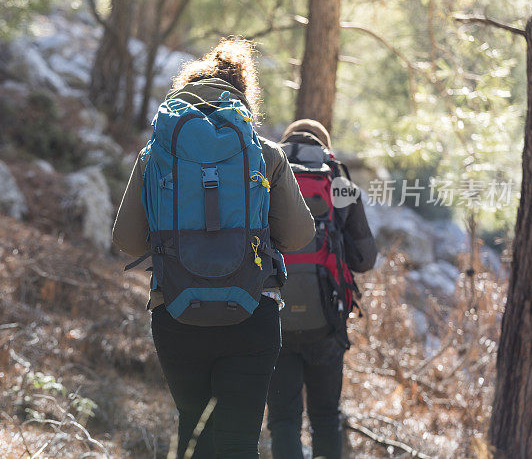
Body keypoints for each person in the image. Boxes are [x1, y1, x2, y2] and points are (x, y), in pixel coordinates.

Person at [113, 39, 315, 458]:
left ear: (185, 93)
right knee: (239, 442)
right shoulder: (266, 154)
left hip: (176, 311)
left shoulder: (155, 155)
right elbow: (299, 237)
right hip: (251, 312)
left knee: (194, 435)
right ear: (242, 96)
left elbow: (126, 241)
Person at [266, 119, 378, 459]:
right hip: (327, 322)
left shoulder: (267, 175)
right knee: (326, 417)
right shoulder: (339, 180)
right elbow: (364, 259)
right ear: (323, 145)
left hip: (276, 319)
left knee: (284, 419)